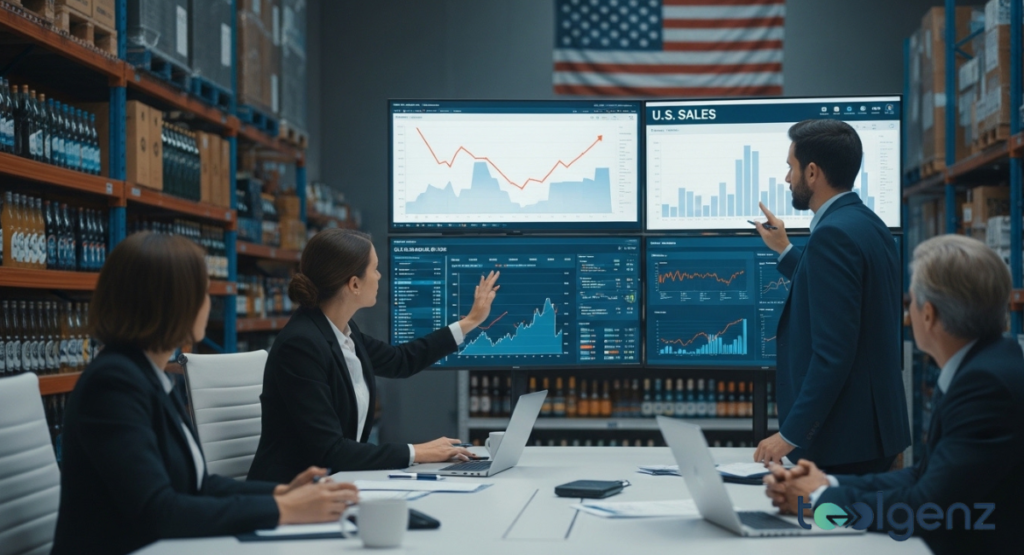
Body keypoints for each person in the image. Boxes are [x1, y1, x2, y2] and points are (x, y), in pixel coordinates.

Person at [51, 232, 359, 555]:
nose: (209, 304)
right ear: (173, 303)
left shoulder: (147, 373)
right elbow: (160, 511)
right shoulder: (113, 384)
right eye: (204, 293)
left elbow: (198, 485)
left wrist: (280, 494)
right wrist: (286, 511)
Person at [764, 234, 1024, 553]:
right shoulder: (984, 365)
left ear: (927, 315)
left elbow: (927, 507)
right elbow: (925, 475)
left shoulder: (986, 386)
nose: (907, 312)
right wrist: (828, 484)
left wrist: (818, 502)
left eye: (910, 301)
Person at [248, 229, 500, 482]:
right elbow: (331, 450)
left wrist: (470, 322)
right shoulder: (301, 345)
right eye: (375, 269)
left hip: (335, 482)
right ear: (354, 284)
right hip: (291, 495)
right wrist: (417, 452)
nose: (380, 276)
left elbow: (400, 361)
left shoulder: (343, 331)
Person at [752, 119, 910, 474]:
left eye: (790, 167)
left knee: (829, 528)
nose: (787, 178)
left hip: (844, 443)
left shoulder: (832, 236)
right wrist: (787, 251)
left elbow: (833, 355)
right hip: (873, 433)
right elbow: (845, 297)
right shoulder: (868, 224)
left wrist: (791, 434)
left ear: (812, 172)